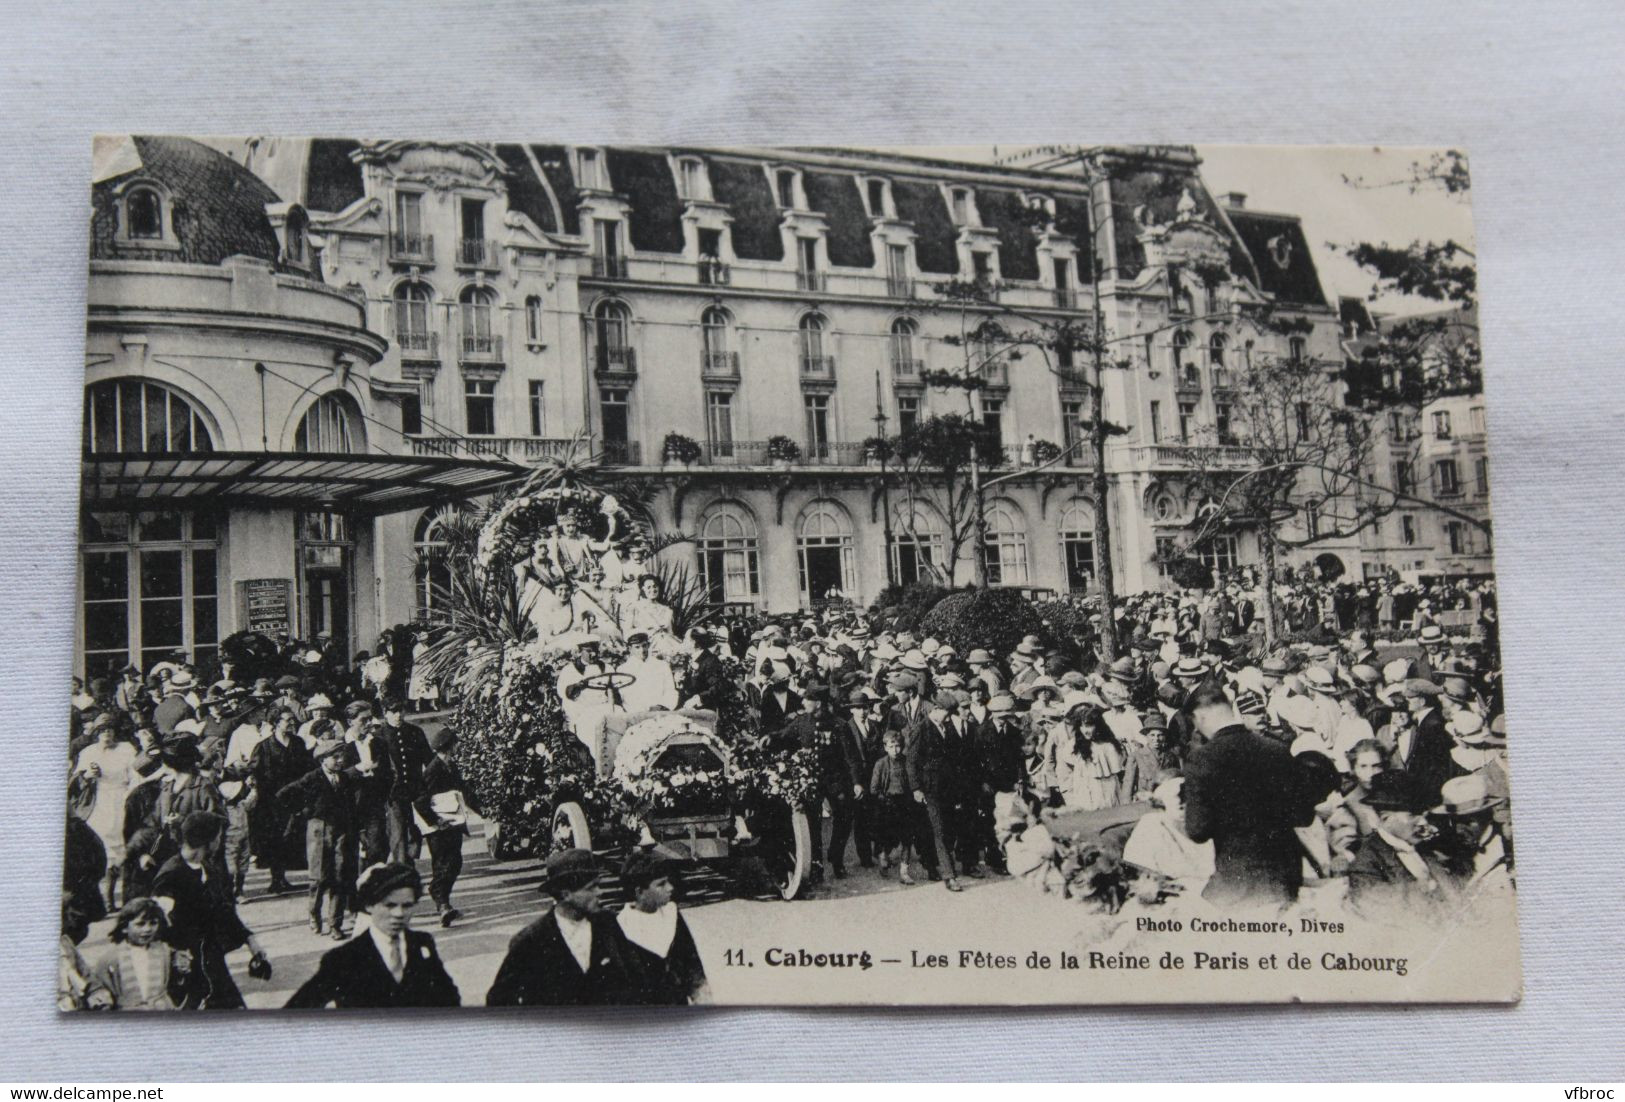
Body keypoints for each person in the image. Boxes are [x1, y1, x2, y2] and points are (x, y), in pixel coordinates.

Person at [1181, 681, 1319, 909]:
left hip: (1237, 880)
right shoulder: (1277, 749)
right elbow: (1304, 816)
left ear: (1200, 717)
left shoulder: (1202, 759)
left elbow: (1197, 830)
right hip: (1285, 876)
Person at [285, 863, 460, 1009]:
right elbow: (297, 1010)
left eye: (407, 906)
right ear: (369, 905)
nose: (399, 914)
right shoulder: (342, 959)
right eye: (389, 905)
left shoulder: (422, 944)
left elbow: (450, 999)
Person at [486, 849, 636, 1007]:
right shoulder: (532, 940)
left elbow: (634, 976)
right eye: (591, 887)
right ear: (566, 894)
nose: (600, 892)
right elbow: (499, 1000)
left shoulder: (607, 924)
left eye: (599, 885)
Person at [152, 811, 271, 1010]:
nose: (220, 841)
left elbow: (223, 911)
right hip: (184, 967)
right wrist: (174, 955)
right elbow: (158, 924)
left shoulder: (208, 869)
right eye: (218, 837)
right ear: (206, 841)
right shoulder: (171, 875)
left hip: (211, 960)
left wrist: (250, 940)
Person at [278, 737, 359, 939]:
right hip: (319, 830)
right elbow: (284, 795)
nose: (340, 760)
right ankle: (314, 915)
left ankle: (335, 924)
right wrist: (304, 812)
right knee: (319, 878)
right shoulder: (312, 778)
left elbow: (352, 805)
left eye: (341, 756)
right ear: (323, 759)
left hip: (342, 831)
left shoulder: (345, 778)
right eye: (335, 757)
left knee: (341, 875)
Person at [615, 853, 709, 1005]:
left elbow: (692, 965)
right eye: (661, 884)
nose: (670, 888)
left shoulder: (672, 915)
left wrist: (702, 999)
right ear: (639, 892)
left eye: (668, 881)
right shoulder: (621, 928)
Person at [71, 716, 139, 909]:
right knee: (103, 846)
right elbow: (76, 779)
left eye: (109, 729)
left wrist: (129, 796)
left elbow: (135, 776)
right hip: (99, 801)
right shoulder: (88, 752)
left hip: (121, 798)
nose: (106, 733)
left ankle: (118, 894)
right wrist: (88, 775)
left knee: (121, 846)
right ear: (96, 733)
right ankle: (105, 898)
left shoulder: (126, 749)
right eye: (101, 730)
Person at [415, 728, 481, 926]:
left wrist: (482, 809)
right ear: (450, 747)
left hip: (453, 823)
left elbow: (463, 789)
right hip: (439, 827)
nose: (458, 747)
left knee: (454, 862)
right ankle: (442, 903)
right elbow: (420, 801)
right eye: (456, 744)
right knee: (443, 863)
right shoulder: (433, 770)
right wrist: (435, 820)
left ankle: (441, 898)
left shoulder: (450, 765)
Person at [247, 707, 313, 895]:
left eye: (293, 719)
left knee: (291, 836)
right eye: (287, 720)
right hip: (271, 800)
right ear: (276, 723)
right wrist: (252, 780)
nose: (292, 723)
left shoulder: (298, 743)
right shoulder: (264, 746)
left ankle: (284, 877)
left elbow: (307, 768)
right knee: (274, 838)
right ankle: (277, 879)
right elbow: (254, 770)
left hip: (294, 797)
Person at [86, 898, 181, 1011]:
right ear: (125, 928)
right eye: (140, 924)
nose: (147, 929)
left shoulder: (163, 951)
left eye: (153, 923)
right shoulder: (110, 958)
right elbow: (100, 989)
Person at [870, 728, 919, 883]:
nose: (895, 750)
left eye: (898, 746)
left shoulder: (907, 762)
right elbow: (874, 788)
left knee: (907, 839)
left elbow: (913, 781)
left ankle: (904, 872)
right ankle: (883, 855)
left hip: (905, 804)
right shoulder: (881, 764)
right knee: (888, 838)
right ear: (885, 747)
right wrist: (883, 799)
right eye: (891, 747)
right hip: (888, 805)